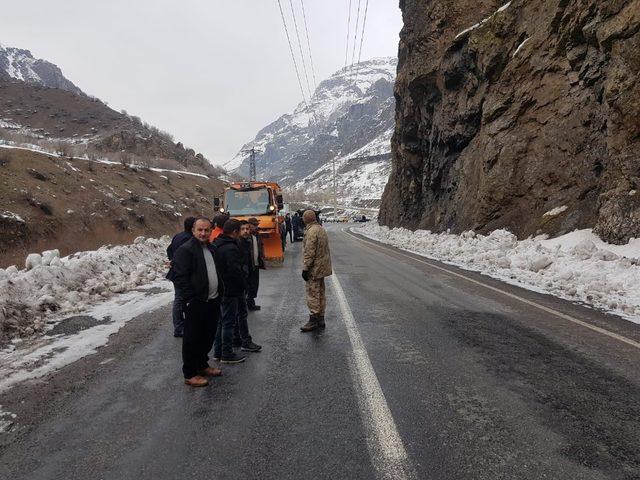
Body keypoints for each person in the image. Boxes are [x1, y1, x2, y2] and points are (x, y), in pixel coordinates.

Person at [172, 217, 224, 387]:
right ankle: (190, 373)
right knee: (192, 338)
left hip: (213, 300)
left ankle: (202, 365)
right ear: (193, 231)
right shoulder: (185, 250)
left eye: (206, 230)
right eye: (200, 230)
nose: (203, 233)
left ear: (211, 231)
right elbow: (180, 277)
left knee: (208, 335)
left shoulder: (212, 248)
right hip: (196, 302)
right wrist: (189, 299)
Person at [213, 219, 261, 363]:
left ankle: (218, 352)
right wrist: (244, 285)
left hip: (222, 288)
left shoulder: (217, 244)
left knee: (222, 321)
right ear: (235, 232)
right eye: (241, 229)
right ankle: (227, 354)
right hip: (232, 289)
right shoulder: (230, 248)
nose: (244, 232)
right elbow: (235, 270)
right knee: (229, 321)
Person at [300, 210, 332, 332]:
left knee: (313, 293)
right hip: (322, 267)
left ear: (306, 219)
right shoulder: (320, 229)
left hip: (314, 268)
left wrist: (305, 268)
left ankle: (313, 319)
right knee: (321, 293)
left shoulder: (311, 231)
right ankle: (321, 318)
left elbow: (309, 252)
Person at [166, 216, 196, 337]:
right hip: (180, 273)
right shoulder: (188, 239)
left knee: (180, 299)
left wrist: (172, 260)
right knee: (179, 299)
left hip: (176, 272)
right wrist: (175, 262)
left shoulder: (178, 236)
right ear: (192, 227)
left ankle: (182, 325)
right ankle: (179, 328)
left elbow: (169, 249)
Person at [246, 217, 265, 311]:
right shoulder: (246, 236)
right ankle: (248, 303)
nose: (256, 227)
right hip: (249, 265)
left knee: (254, 285)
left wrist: (262, 258)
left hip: (256, 264)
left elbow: (260, 247)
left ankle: (251, 302)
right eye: (255, 225)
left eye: (257, 225)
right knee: (248, 285)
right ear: (249, 225)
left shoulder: (257, 235)